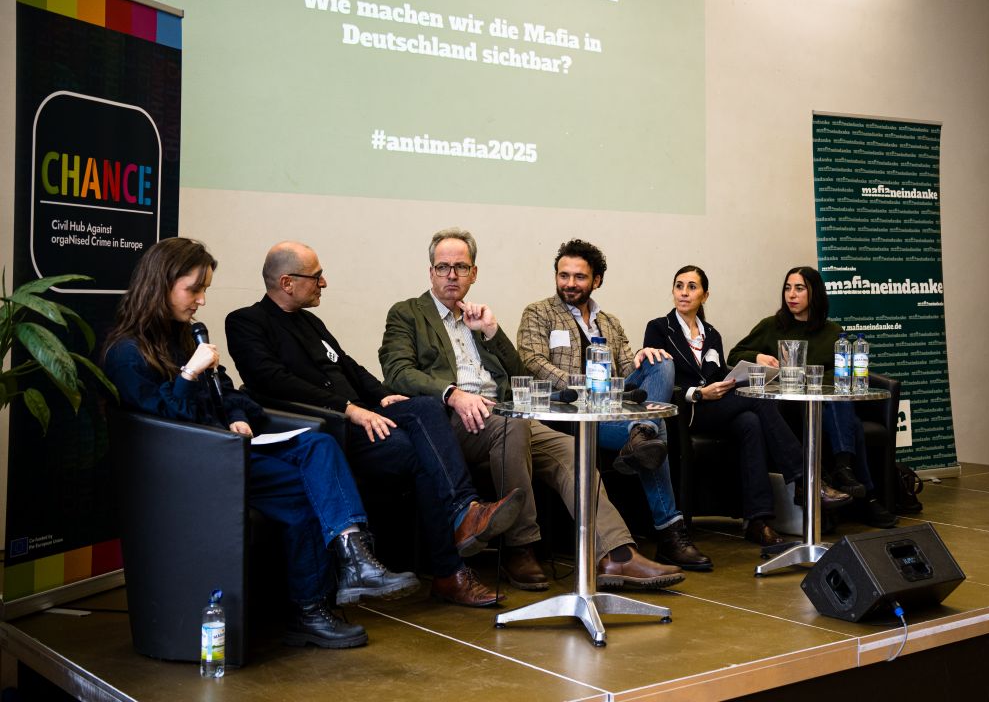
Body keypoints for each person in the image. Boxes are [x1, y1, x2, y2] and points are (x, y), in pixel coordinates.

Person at [102, 237, 419, 650]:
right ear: (160, 285)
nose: (200, 300)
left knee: (318, 445)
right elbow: (163, 423)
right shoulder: (126, 353)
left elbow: (231, 392)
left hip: (229, 449)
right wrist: (188, 376)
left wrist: (234, 413)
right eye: (193, 289)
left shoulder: (183, 338)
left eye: (204, 291)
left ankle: (351, 561)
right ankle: (318, 601)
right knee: (303, 488)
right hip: (196, 464)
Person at [378, 229, 685, 590]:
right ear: (430, 272)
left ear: (473, 273)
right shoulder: (407, 314)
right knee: (512, 426)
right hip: (452, 422)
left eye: (460, 267)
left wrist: (492, 332)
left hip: (506, 414)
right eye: (443, 267)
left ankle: (616, 555)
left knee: (572, 451)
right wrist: (453, 394)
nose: (451, 275)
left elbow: (519, 374)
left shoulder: (477, 318)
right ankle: (520, 548)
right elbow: (398, 372)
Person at [224, 241, 523, 607]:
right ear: (287, 282)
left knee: (427, 407)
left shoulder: (310, 321)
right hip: (329, 427)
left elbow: (348, 365)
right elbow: (271, 381)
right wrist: (350, 408)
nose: (324, 283)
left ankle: (466, 511)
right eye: (316, 277)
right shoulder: (245, 322)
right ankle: (450, 571)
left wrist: (382, 396)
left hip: (364, 413)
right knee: (421, 456)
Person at [517, 239, 712, 570]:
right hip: (565, 412)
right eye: (563, 275)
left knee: (661, 362)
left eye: (579, 277)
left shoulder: (609, 322)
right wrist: (580, 386)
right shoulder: (539, 313)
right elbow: (532, 359)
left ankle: (640, 432)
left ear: (596, 280)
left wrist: (640, 356)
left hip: (607, 410)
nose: (569, 283)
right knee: (655, 429)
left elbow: (625, 367)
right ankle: (670, 533)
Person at [643, 266, 852, 546]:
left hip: (716, 406)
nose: (684, 292)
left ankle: (757, 520)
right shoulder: (659, 329)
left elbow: (717, 374)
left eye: (692, 287)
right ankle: (805, 479)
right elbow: (658, 379)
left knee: (751, 423)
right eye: (679, 286)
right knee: (759, 400)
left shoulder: (711, 334)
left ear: (705, 295)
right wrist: (699, 393)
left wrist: (726, 383)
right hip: (685, 409)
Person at [728, 266, 898, 528]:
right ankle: (864, 492)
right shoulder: (771, 326)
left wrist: (813, 380)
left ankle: (845, 474)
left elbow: (840, 374)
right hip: (788, 408)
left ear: (814, 293)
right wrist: (758, 357)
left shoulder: (832, 332)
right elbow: (734, 355)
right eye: (787, 288)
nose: (791, 295)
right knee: (849, 421)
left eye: (799, 288)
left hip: (822, 405)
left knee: (840, 406)